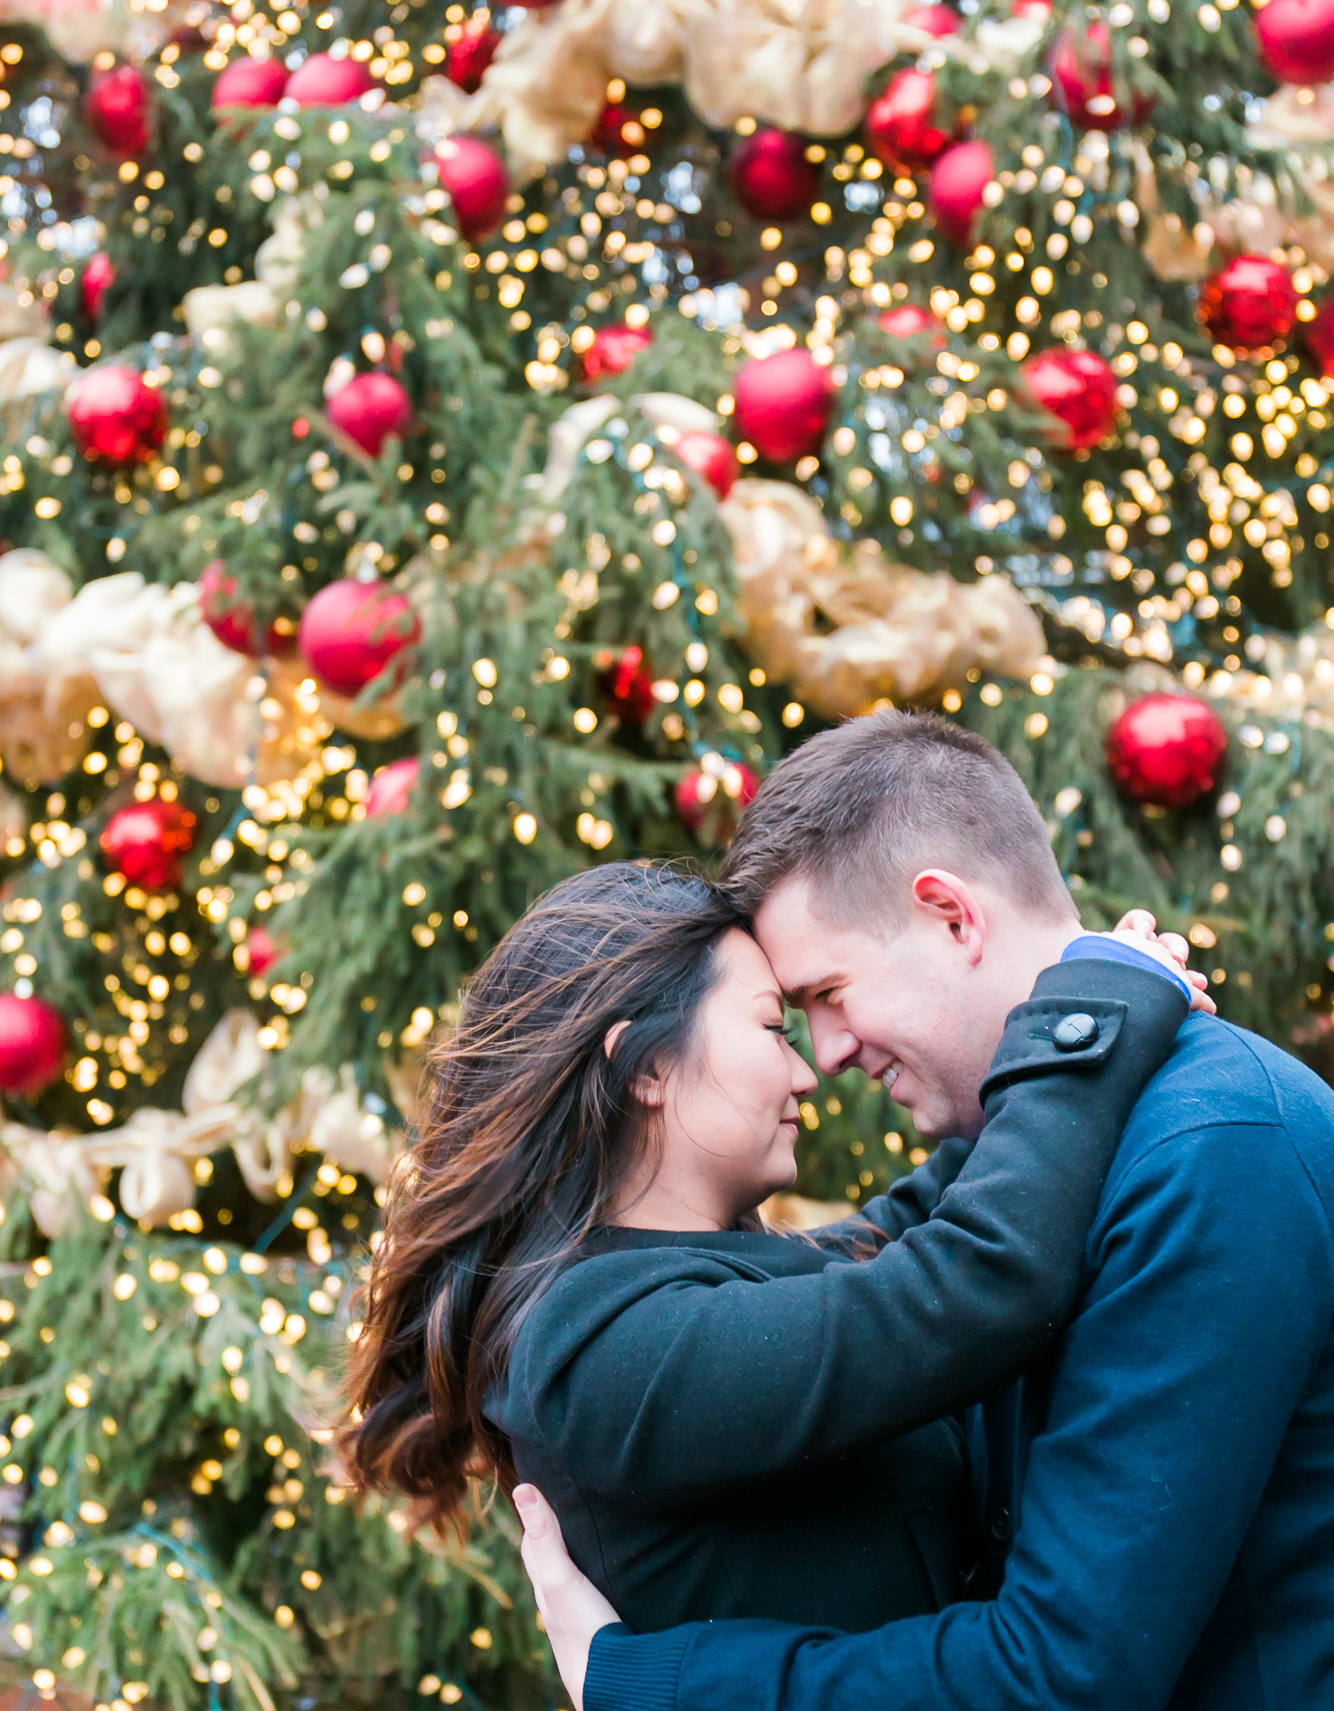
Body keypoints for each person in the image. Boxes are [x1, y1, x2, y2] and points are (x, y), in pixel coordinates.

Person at [515, 710, 1334, 1711]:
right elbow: (922, 1268)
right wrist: (1091, 1019)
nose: (826, 1057)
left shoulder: (1210, 1146)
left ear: (950, 914)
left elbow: (1062, 1675)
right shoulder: (1046, 1155)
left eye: (824, 993)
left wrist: (647, 1683)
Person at [340, 719, 1203, 1647]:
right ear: (646, 1068)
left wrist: (1079, 1005)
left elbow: (927, 1218)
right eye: (770, 1029)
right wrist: (1092, 1017)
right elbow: (966, 1286)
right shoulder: (593, 1348)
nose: (809, 1071)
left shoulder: (707, 1279)